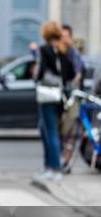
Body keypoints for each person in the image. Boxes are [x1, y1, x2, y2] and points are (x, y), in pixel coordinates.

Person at [34, 21, 75, 180]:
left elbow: (41, 70)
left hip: (46, 95)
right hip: (59, 95)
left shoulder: (45, 50)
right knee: (52, 131)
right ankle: (51, 166)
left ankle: (53, 168)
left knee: (48, 132)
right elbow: (70, 73)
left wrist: (37, 78)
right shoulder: (63, 50)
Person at [61, 24, 85, 88]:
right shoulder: (60, 53)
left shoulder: (74, 54)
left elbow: (78, 75)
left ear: (70, 37)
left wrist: (70, 87)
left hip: (71, 90)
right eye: (61, 36)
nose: (63, 39)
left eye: (65, 36)